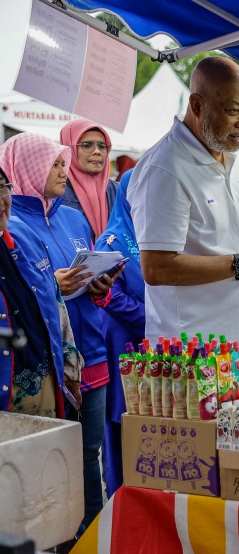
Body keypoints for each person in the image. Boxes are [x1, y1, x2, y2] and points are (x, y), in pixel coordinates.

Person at [130, 57, 239, 369]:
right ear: (198, 105)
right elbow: (157, 268)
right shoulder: (164, 168)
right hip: (199, 359)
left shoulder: (238, 156)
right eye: (232, 111)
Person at [1, 132, 118, 533]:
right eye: (53, 163)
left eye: (62, 162)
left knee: (90, 453)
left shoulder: (71, 216)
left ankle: (91, 538)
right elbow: (29, 292)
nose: (62, 170)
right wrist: (56, 285)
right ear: (29, 169)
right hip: (48, 363)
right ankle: (64, 541)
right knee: (51, 457)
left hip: (93, 353)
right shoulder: (12, 224)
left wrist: (100, 286)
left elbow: (87, 282)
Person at [0, 165, 82, 419]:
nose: (1, 200)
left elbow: (55, 305)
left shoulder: (24, 235)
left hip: (45, 386)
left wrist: (70, 369)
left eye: (2, 187)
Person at [95, 170, 144, 496]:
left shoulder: (158, 235)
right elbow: (110, 298)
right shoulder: (111, 241)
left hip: (152, 343)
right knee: (123, 425)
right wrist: (154, 319)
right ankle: (121, 506)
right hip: (124, 345)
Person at [59, 120, 120, 240]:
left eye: (102, 146)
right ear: (69, 149)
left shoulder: (119, 191)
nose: (97, 151)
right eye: (87, 145)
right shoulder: (56, 192)